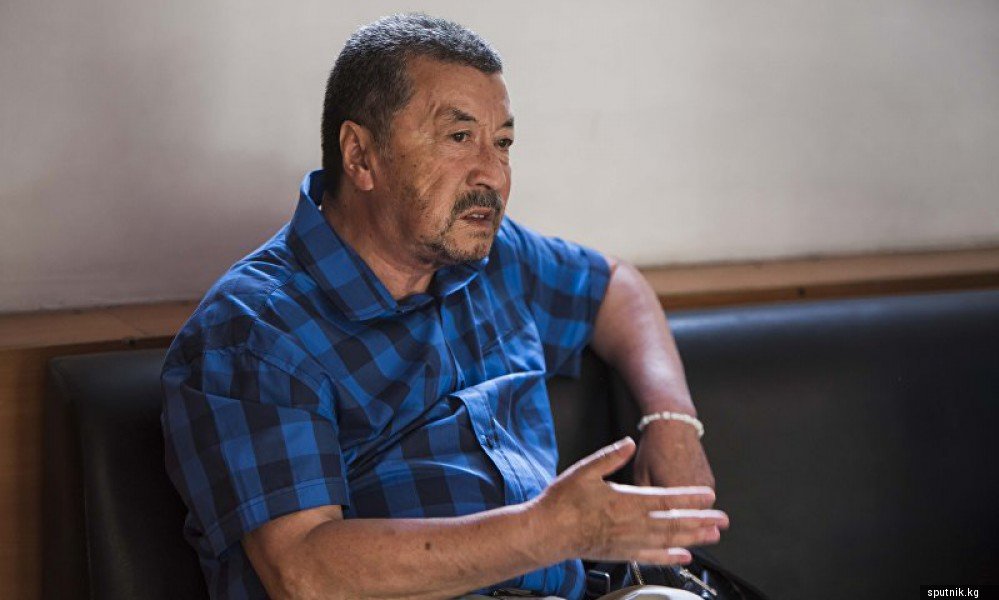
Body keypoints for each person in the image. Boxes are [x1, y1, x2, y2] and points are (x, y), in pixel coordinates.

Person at [161, 13, 726, 600]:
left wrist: (671, 421)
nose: (494, 175)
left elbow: (616, 287)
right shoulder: (255, 331)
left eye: (502, 143)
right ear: (360, 156)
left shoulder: (497, 258)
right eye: (459, 138)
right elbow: (305, 572)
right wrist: (548, 532)